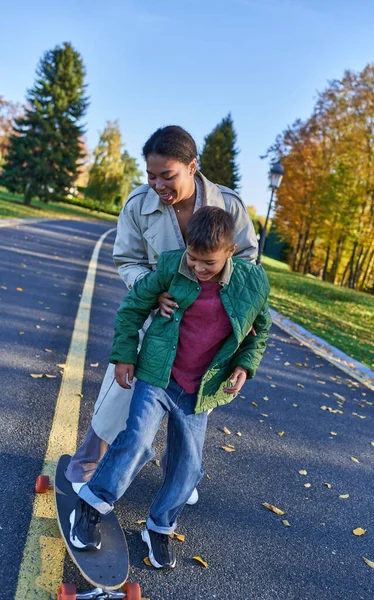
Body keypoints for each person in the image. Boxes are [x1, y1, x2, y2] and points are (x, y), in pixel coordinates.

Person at [69, 207, 271, 569]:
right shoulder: (171, 266)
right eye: (193, 258)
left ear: (231, 251)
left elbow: (261, 329)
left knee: (188, 466)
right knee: (136, 440)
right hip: (159, 374)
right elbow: (133, 306)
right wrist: (124, 355)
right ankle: (91, 504)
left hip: (201, 388)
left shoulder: (253, 282)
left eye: (208, 262)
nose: (198, 268)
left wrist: (244, 365)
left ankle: (159, 527)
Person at [65, 126, 259, 503]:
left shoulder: (229, 204)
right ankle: (87, 465)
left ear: (192, 166)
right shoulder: (138, 205)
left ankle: (176, 477)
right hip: (158, 319)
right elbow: (127, 259)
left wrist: (237, 312)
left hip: (206, 328)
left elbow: (248, 260)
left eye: (167, 175)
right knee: (120, 393)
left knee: (190, 404)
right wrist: (154, 293)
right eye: (151, 175)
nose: (157, 184)